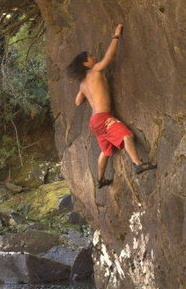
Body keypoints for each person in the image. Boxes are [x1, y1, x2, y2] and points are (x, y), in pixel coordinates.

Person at [66, 24, 156, 188]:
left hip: (94, 123)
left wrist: (91, 94)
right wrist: (116, 36)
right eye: (91, 56)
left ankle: (100, 179)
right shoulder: (95, 71)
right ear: (86, 64)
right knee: (127, 136)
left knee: (106, 151)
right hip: (103, 118)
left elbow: (78, 102)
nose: (94, 57)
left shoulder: (83, 83)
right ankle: (138, 164)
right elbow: (108, 58)